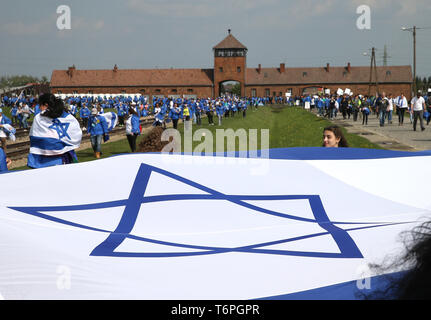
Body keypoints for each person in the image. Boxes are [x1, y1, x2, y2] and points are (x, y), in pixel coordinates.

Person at [27, 93, 82, 169]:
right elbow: (75, 135)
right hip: (66, 159)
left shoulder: (39, 118)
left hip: (44, 161)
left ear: (45, 105)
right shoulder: (68, 117)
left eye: (40, 105)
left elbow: (34, 138)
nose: (39, 108)